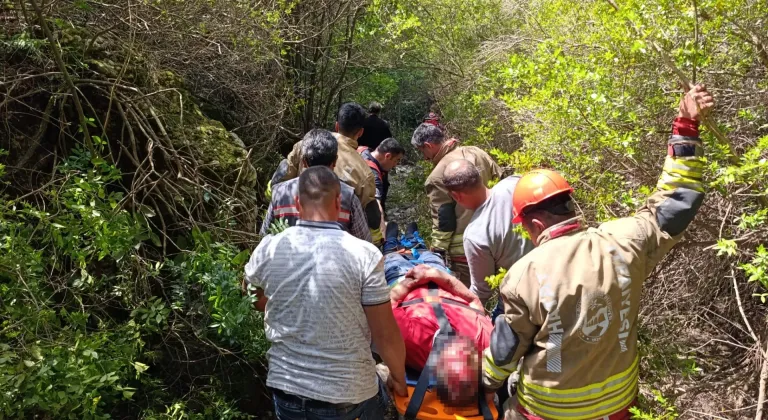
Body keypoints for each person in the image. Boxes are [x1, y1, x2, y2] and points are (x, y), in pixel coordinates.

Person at [482, 85, 713, 419]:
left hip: (550, 410)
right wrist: (686, 126)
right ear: (571, 205)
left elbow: (506, 350)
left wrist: (487, 380)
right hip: (619, 403)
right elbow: (678, 199)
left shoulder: (523, 275)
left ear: (532, 223)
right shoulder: (626, 239)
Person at [244, 166, 407, 420]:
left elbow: (253, 295)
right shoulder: (364, 254)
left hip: (287, 393)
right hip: (348, 397)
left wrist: (288, 305)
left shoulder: (269, 248)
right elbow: (384, 334)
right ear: (339, 201)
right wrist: (398, 378)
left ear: (298, 202)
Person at [381, 222, 493, 410]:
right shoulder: (484, 341)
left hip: (402, 279)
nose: (456, 347)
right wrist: (438, 276)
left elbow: (389, 302)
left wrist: (410, 282)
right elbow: (473, 300)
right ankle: (414, 243)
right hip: (441, 278)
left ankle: (392, 245)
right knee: (429, 256)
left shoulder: (410, 343)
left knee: (392, 258)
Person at [273, 102, 383, 243]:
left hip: (294, 232)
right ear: (361, 132)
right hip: (338, 241)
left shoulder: (306, 145)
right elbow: (370, 218)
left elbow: (282, 178)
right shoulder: (363, 171)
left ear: (337, 125)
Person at [411, 123, 504, 286]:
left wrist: (437, 252)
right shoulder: (477, 152)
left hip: (466, 251)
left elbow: (444, 220)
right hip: (499, 236)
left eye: (422, 151)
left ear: (428, 146)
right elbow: (501, 182)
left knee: (471, 297)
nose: (424, 157)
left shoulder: (437, 176)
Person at [443, 159, 534, 314]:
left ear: (456, 196)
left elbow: (483, 290)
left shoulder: (475, 235)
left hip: (519, 302)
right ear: (479, 177)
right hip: (554, 279)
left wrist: (464, 314)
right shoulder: (515, 183)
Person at [260, 129, 371, 242]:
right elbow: (364, 241)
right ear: (335, 161)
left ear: (304, 162)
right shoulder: (348, 197)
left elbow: (263, 237)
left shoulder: (279, 193)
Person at [358, 137, 405, 217]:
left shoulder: (361, 150)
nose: (395, 165)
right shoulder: (374, 176)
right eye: (396, 160)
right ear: (388, 156)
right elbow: (376, 205)